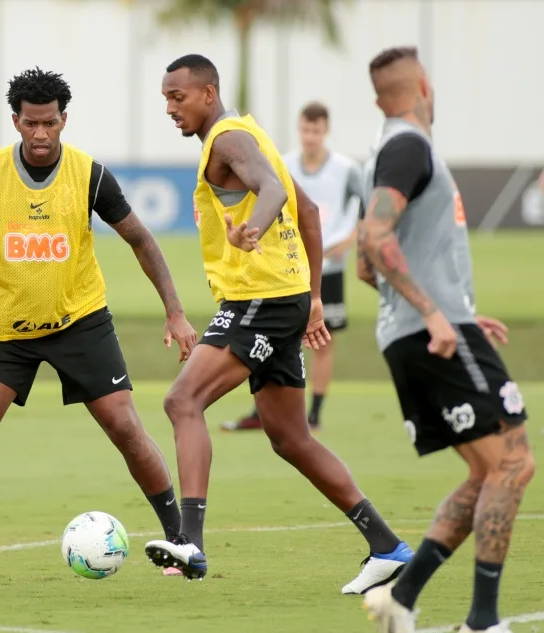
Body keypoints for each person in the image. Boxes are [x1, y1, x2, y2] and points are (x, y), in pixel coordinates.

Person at [0, 67, 196, 578]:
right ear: (16, 121)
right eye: (31, 123)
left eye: (49, 123)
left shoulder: (90, 174)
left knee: (125, 426)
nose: (41, 134)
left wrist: (175, 312)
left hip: (79, 321)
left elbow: (141, 239)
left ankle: (180, 543)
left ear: (63, 120)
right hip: (8, 328)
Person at [142, 54, 413, 593]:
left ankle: (190, 541)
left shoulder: (227, 140)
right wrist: (312, 298)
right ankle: (387, 547)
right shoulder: (250, 133)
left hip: (259, 300)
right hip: (281, 297)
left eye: (178, 97)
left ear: (209, 92)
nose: (170, 109)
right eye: (165, 99)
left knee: (182, 402)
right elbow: (308, 211)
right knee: (290, 437)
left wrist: (254, 230)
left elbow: (272, 191)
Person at [356, 46, 533, 633]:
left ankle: (400, 599)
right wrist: (437, 313)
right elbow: (378, 238)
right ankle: (483, 621)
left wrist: (450, 309)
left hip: (414, 331)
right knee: (514, 464)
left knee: (487, 473)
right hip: (432, 332)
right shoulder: (410, 146)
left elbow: (365, 259)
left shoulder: (382, 154)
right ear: (425, 86)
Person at [223, 101, 364, 432]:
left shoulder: (346, 169)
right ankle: (264, 410)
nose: (310, 136)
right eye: (305, 129)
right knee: (272, 337)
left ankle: (314, 412)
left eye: (316, 130)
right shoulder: (283, 163)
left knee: (322, 341)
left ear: (325, 131)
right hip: (286, 268)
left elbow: (370, 208)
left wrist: (350, 240)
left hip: (327, 268)